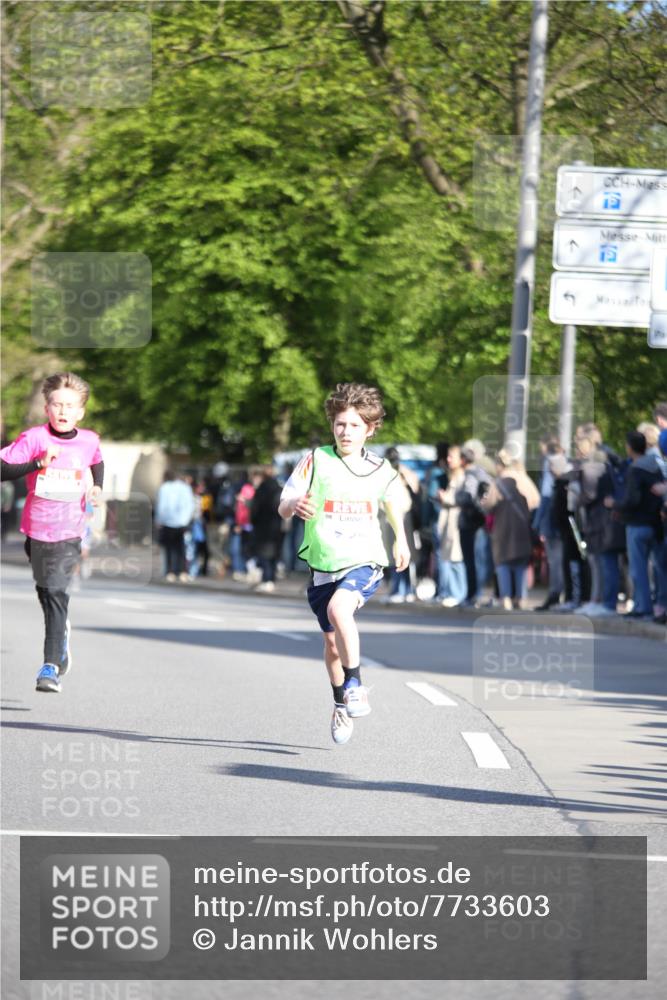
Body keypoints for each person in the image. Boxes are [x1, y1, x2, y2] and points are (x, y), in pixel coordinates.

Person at [278, 382, 410, 745]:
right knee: (332, 644)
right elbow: (285, 502)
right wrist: (296, 506)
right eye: (340, 424)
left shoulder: (381, 468)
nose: (345, 432)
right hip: (323, 563)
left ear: (369, 429)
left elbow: (393, 503)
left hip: (364, 559)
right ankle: (340, 702)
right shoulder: (316, 459)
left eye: (354, 425)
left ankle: (355, 685)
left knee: (341, 609)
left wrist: (400, 538)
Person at [0, 372, 103, 693]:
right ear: (47, 408)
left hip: (70, 531)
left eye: (69, 406)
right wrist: (36, 464)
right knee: (46, 591)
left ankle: (50, 667)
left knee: (56, 591)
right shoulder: (33, 438)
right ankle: (61, 640)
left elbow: (97, 461)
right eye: (57, 404)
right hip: (36, 529)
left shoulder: (89, 440)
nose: (62, 411)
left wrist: (97, 487)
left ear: (80, 412)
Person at [605, 431, 665, 620]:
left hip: (637, 524)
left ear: (629, 447)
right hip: (656, 524)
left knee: (638, 569)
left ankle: (643, 606)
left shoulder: (635, 469)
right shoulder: (656, 466)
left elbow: (632, 499)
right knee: (659, 568)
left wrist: (614, 504)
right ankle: (660, 605)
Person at [481, 448, 539, 610]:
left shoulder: (499, 483)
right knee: (520, 563)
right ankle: (521, 597)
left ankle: (506, 598)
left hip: (503, 528)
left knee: (503, 563)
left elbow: (488, 506)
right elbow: (536, 500)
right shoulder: (523, 479)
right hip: (522, 527)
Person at [434, 445, 467, 606]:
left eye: (451, 457)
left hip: (455, 523)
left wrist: (444, 497)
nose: (448, 460)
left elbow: (459, 500)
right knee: (450, 557)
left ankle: (458, 594)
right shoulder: (453, 476)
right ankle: (453, 592)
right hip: (449, 523)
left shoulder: (461, 477)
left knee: (456, 559)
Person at [155, 471, 195, 582]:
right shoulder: (186, 487)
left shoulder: (164, 488)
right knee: (181, 548)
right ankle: (183, 572)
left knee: (169, 548)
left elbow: (161, 505)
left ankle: (170, 572)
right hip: (182, 522)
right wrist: (186, 520)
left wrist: (159, 520)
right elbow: (190, 505)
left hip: (168, 522)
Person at [250, 467, 283, 592]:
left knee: (263, 554)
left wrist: (253, 521)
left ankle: (266, 579)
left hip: (263, 526)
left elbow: (255, 509)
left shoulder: (262, 489)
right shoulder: (280, 488)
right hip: (277, 526)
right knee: (274, 554)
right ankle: (272, 579)